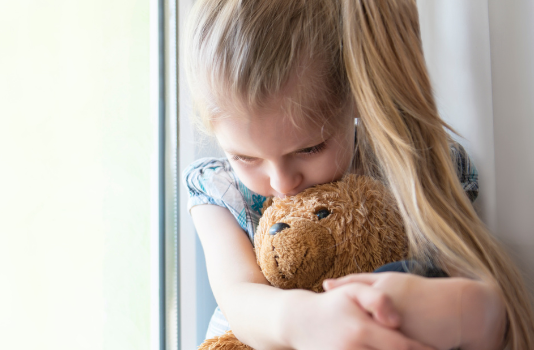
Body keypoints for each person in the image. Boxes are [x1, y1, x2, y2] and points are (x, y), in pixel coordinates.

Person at [182, 0, 534, 349]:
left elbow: (462, 279)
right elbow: (239, 296)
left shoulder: (404, 169)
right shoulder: (222, 192)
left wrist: (469, 309)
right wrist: (305, 320)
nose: (282, 182)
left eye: (309, 149)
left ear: (354, 99)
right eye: (245, 157)